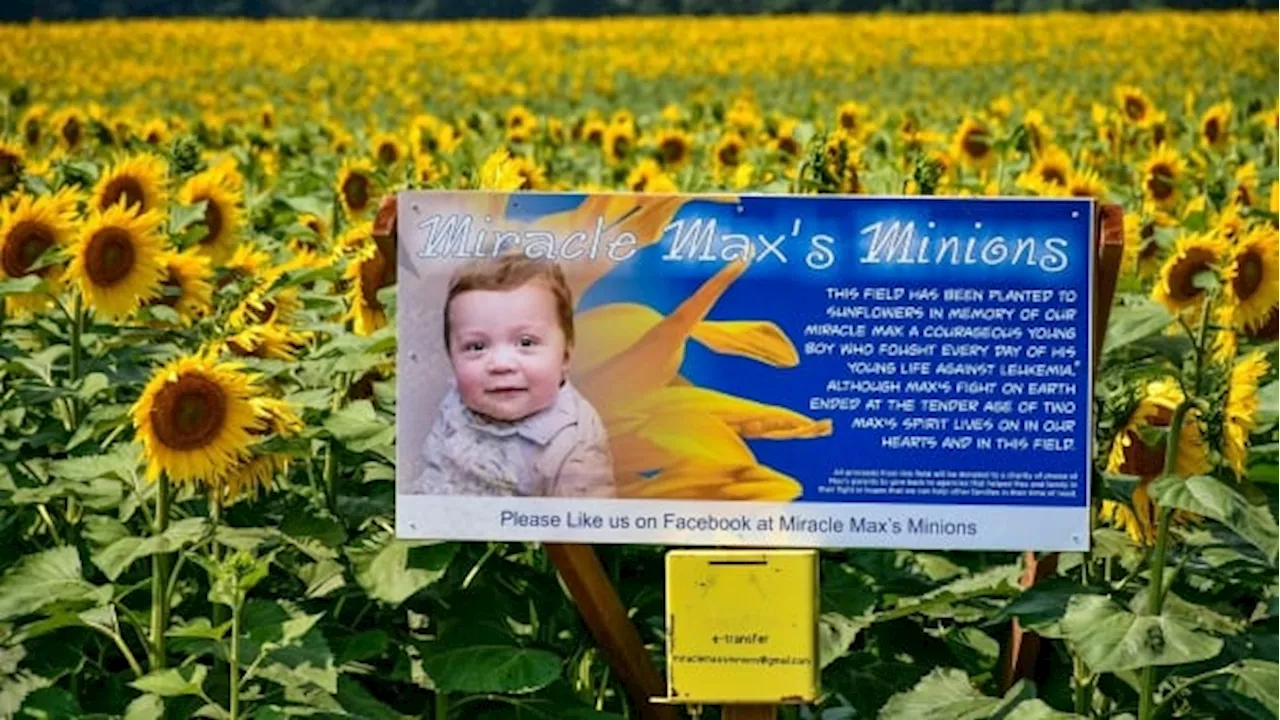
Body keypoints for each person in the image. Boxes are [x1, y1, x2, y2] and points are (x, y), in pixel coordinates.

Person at [408, 253, 616, 497]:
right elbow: (433, 466)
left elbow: (584, 524)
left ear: (565, 357)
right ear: (451, 359)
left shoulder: (574, 443)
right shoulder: (455, 405)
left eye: (526, 342)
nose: (501, 364)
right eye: (476, 347)